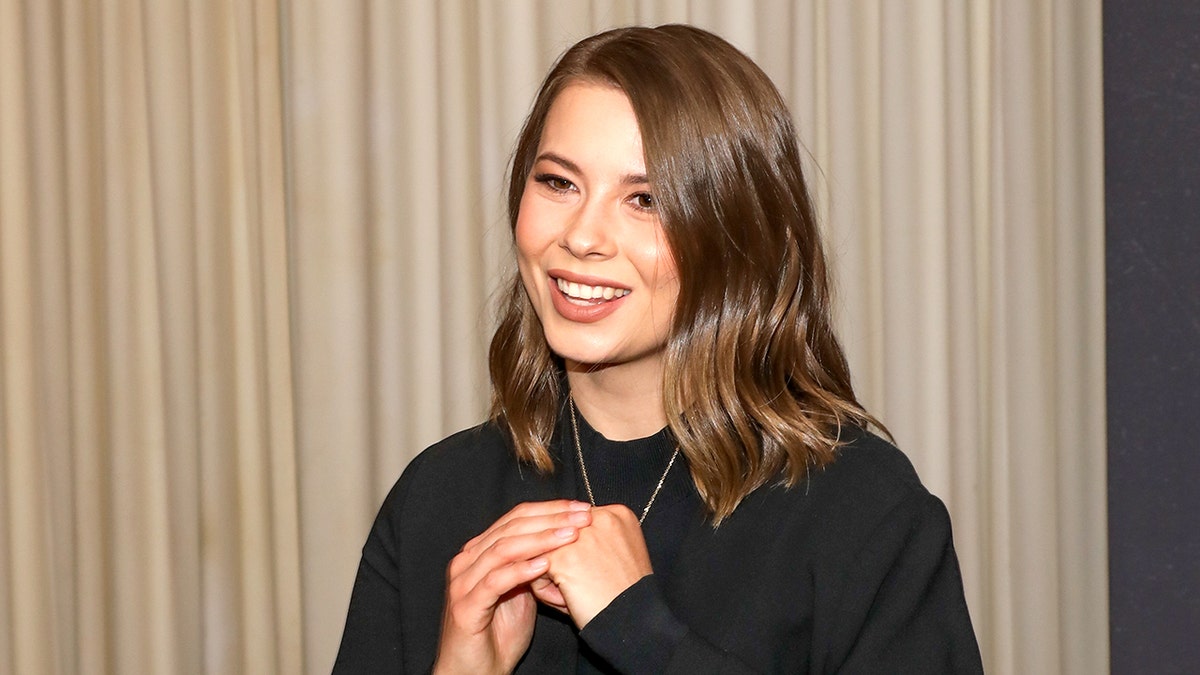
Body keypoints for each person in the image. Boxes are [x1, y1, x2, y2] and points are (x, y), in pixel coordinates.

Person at [333, 24, 983, 674]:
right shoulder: (437, 498)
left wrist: (643, 634)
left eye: (644, 199)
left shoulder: (864, 513)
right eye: (559, 182)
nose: (583, 236)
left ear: (737, 233)